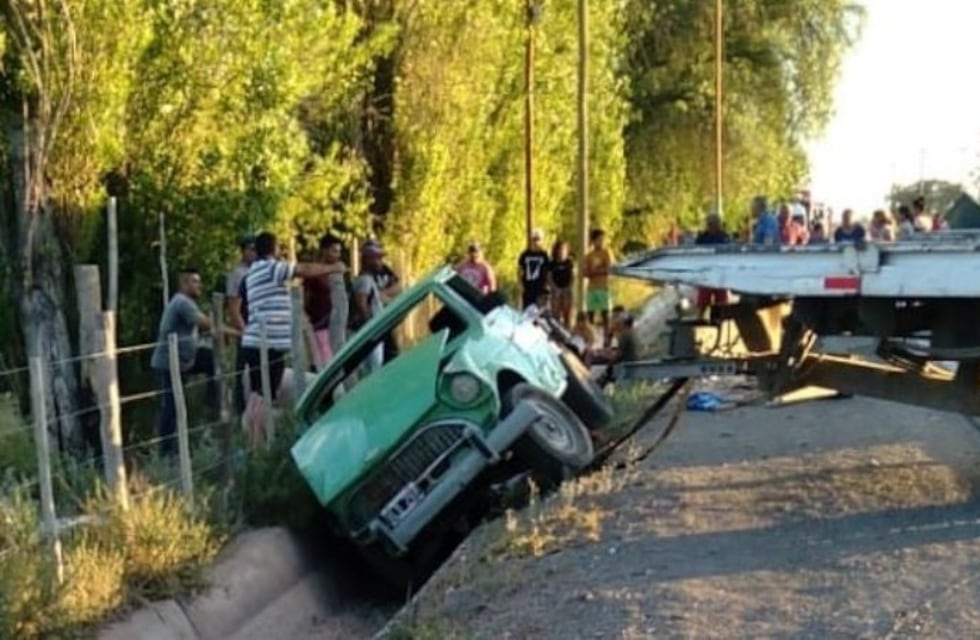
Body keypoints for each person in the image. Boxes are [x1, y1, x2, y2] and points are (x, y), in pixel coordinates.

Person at [241, 231, 346, 413]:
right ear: (273, 248)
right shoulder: (270, 267)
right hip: (265, 344)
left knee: (264, 394)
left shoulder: (255, 271)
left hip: (265, 343)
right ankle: (259, 433)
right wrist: (332, 268)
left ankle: (258, 432)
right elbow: (301, 270)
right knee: (265, 396)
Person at [150, 268, 215, 458]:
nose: (199, 285)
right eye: (195, 282)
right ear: (184, 284)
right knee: (170, 407)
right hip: (167, 363)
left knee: (210, 359)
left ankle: (213, 401)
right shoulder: (182, 303)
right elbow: (206, 323)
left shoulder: (187, 303)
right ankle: (166, 452)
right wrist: (236, 333)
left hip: (184, 359)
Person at [303, 235, 346, 368]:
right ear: (324, 250)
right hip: (319, 322)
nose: (337, 255)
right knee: (323, 360)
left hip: (335, 323)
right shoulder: (316, 272)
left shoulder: (337, 271)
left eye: (339, 251)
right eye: (334, 251)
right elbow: (306, 296)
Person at [226, 235, 255, 413]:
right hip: (246, 327)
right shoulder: (237, 274)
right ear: (243, 250)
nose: (253, 252)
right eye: (250, 249)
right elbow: (233, 307)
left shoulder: (258, 270)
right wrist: (244, 331)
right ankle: (241, 409)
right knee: (243, 369)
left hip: (259, 326)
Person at [352, 241, 390, 374]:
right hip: (371, 333)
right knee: (372, 370)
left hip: (374, 332)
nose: (380, 262)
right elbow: (361, 304)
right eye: (377, 258)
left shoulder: (369, 279)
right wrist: (371, 327)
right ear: (368, 259)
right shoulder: (364, 280)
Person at [370, 243, 402, 363]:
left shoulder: (385, 270)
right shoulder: (366, 276)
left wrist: (383, 294)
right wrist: (382, 297)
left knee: (392, 352)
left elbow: (399, 287)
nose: (380, 261)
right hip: (376, 321)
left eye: (380, 258)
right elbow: (372, 298)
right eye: (376, 258)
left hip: (387, 319)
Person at [694, 212, 731, 316]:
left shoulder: (725, 237)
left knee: (721, 301)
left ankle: (720, 319)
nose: (711, 226)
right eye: (709, 223)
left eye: (714, 223)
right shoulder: (702, 238)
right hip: (706, 273)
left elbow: (729, 254)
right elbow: (696, 254)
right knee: (703, 300)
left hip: (721, 274)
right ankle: (700, 317)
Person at [584, 229, 615, 342]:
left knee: (605, 315)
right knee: (590, 316)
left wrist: (595, 271)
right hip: (592, 288)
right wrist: (597, 271)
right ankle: (590, 340)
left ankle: (607, 341)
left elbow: (609, 269)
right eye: (599, 239)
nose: (601, 242)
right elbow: (585, 272)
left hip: (604, 287)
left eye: (602, 239)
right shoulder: (589, 255)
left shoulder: (607, 253)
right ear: (593, 240)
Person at [518, 229, 550, 310]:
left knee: (540, 310)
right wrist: (520, 284)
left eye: (538, 239)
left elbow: (548, 271)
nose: (536, 242)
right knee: (527, 310)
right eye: (534, 239)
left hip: (540, 288)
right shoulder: (525, 254)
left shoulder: (544, 255)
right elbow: (520, 270)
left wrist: (547, 284)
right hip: (528, 288)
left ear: (542, 240)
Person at [549, 240, 574, 327]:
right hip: (556, 290)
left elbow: (572, 276)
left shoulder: (569, 262)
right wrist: (555, 288)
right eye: (560, 249)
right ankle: (556, 332)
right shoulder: (552, 263)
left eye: (564, 249)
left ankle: (567, 331)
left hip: (566, 289)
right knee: (555, 314)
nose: (561, 252)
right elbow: (549, 277)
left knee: (567, 314)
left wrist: (567, 288)